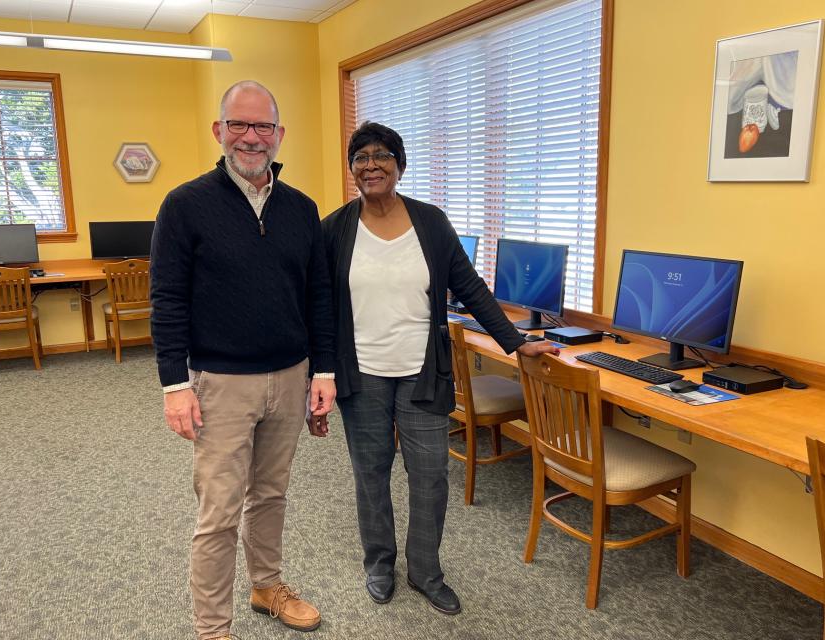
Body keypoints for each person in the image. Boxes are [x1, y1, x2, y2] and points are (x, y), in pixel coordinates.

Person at [318, 122, 559, 615]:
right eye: (360, 157)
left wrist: (515, 343)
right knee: (371, 472)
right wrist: (317, 373)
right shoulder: (335, 228)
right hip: (359, 373)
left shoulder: (431, 222)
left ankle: (425, 570)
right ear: (352, 170)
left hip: (422, 371)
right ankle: (379, 562)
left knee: (429, 476)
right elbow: (319, 304)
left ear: (400, 165)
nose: (371, 165)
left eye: (382, 155)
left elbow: (470, 288)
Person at [150, 80, 336, 640]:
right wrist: (172, 384)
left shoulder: (303, 209)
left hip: (290, 376)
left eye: (263, 127)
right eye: (239, 125)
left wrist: (323, 372)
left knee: (272, 495)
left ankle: (267, 584)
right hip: (221, 383)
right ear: (219, 131)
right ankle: (213, 629)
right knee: (219, 513)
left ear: (279, 135)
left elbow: (319, 296)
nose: (251, 138)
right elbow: (167, 299)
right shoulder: (185, 205)